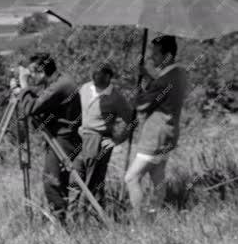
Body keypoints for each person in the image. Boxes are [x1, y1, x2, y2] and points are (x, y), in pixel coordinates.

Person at [124, 35, 188, 215]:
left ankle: (139, 221)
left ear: (167, 55)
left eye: (156, 54)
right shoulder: (180, 73)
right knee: (157, 176)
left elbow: (141, 105)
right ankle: (155, 215)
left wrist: (137, 92)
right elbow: (164, 90)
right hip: (169, 133)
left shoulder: (163, 81)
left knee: (131, 177)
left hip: (155, 136)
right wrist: (148, 76)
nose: (151, 58)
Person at [18, 53, 82, 223]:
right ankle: (66, 217)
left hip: (63, 139)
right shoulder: (60, 80)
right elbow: (41, 92)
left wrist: (23, 85)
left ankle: (60, 222)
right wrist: (25, 90)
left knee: (51, 181)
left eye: (32, 73)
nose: (31, 77)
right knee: (59, 181)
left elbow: (31, 107)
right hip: (64, 136)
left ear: (41, 71)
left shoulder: (60, 86)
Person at [69, 63, 133, 215]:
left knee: (93, 182)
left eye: (99, 74)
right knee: (76, 177)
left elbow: (131, 120)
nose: (95, 77)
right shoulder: (85, 88)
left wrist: (116, 140)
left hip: (99, 140)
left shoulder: (115, 97)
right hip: (81, 138)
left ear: (108, 76)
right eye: (94, 73)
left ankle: (90, 216)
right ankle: (74, 215)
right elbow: (76, 109)